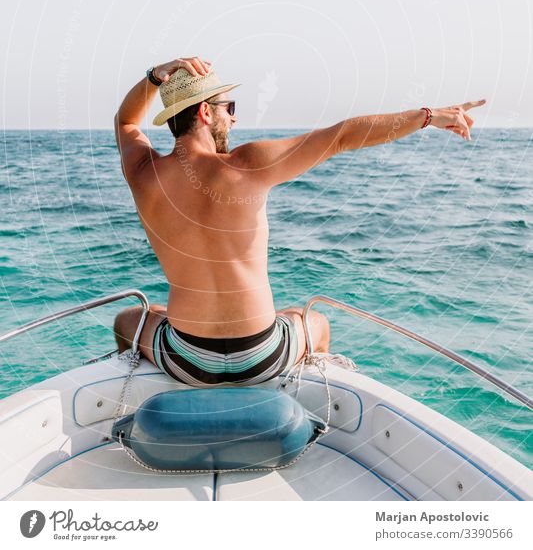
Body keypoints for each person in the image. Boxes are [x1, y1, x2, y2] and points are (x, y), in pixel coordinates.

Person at [113, 55, 485, 386]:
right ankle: (310, 396)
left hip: (186, 361)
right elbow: (341, 137)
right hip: (261, 357)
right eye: (230, 107)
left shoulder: (143, 172)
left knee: (129, 318)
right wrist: (429, 116)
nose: (235, 116)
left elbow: (126, 120)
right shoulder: (247, 164)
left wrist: (154, 76)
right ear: (205, 113)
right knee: (315, 322)